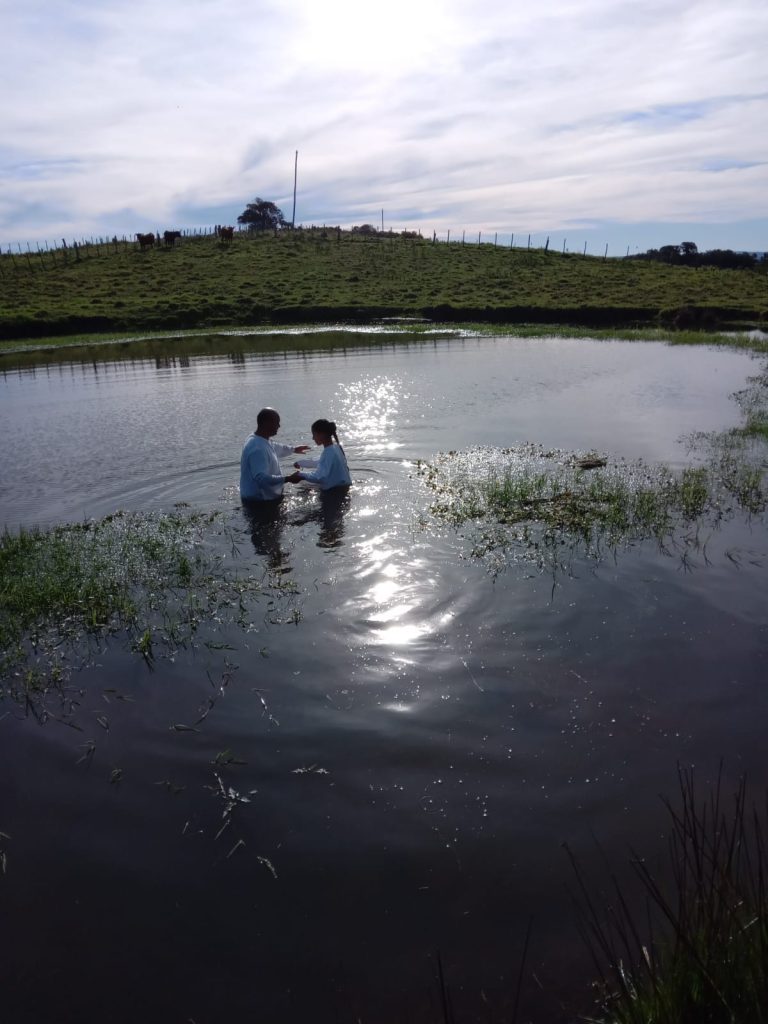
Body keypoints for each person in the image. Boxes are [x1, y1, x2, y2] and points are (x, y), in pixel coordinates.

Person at [240, 408, 310, 502]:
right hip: (259, 502)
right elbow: (262, 480)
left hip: (263, 499)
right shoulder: (257, 448)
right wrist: (288, 478)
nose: (279, 426)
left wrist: (294, 449)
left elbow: (275, 447)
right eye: (277, 422)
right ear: (266, 423)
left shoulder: (259, 439)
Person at [286, 418, 351, 490]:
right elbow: (320, 461)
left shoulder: (329, 452)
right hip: (344, 488)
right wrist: (300, 463)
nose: (313, 438)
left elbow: (319, 477)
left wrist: (301, 474)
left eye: (314, 434)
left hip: (334, 493)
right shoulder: (335, 448)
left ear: (322, 434)